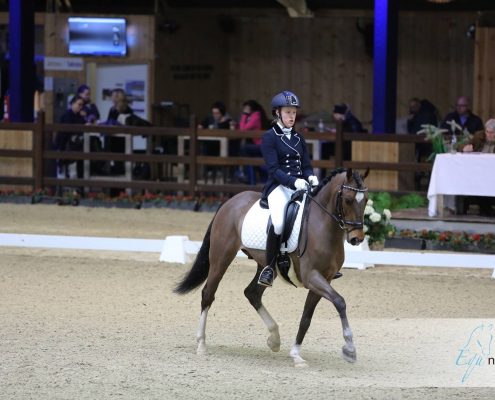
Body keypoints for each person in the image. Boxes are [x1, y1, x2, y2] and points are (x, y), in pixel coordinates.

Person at [257, 90, 319, 287]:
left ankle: (319, 263)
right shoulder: (269, 137)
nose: (291, 117)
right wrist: (293, 182)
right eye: (288, 112)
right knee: (278, 223)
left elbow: (306, 164)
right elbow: (273, 170)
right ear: (278, 113)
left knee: (316, 217)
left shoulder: (299, 138)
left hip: (300, 186)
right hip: (278, 187)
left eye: (294, 113)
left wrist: (310, 176)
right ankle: (269, 267)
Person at [459, 118, 495, 216]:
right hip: (477, 172)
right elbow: (462, 146)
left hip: (493, 174)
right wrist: (465, 149)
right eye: (488, 132)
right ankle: (486, 209)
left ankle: (486, 210)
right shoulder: (479, 136)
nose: (489, 135)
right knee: (476, 183)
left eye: (492, 133)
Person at [237, 99, 270, 184]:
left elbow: (243, 129)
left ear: (251, 108)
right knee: (249, 158)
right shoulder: (253, 116)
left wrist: (244, 115)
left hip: (260, 145)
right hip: (257, 144)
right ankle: (250, 179)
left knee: (244, 150)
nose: (245, 110)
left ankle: (250, 179)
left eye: (246, 108)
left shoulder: (256, 116)